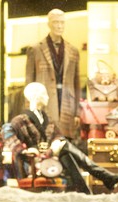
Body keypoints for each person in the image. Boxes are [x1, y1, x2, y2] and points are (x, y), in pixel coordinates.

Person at [2, 82, 118, 194]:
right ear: (36, 96)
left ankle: (87, 190)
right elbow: (6, 133)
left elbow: (57, 135)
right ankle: (104, 178)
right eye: (45, 94)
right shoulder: (20, 120)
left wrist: (54, 145)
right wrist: (24, 150)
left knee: (66, 152)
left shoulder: (47, 119)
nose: (48, 97)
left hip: (50, 159)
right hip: (33, 164)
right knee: (65, 146)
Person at [25, 8, 81, 141]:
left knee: (65, 142)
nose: (59, 26)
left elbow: (76, 84)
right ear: (49, 23)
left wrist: (77, 112)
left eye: (62, 22)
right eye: (56, 22)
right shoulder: (35, 49)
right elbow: (29, 83)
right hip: (44, 104)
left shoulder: (73, 51)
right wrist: (29, 110)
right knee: (45, 138)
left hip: (67, 104)